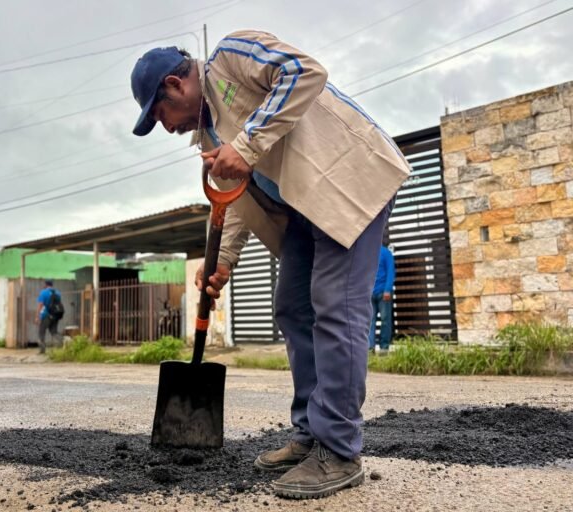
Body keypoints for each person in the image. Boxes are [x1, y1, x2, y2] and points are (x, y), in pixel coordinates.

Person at [130, 31, 408, 499]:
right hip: (302, 212)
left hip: (349, 185)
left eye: (160, 115)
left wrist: (247, 144)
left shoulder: (231, 58)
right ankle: (309, 434)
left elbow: (306, 72)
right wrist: (222, 261)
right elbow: (234, 201)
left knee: (334, 308)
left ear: (176, 85)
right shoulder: (210, 132)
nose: (166, 127)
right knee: (293, 309)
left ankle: (339, 449)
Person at [369, 245, 395, 353]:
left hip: (383, 293)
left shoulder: (386, 253)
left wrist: (388, 289)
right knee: (369, 322)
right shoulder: (367, 254)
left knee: (385, 321)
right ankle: (370, 347)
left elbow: (390, 271)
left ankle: (384, 347)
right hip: (369, 294)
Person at [35, 280, 63, 354]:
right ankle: (65, 341)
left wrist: (37, 316)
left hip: (46, 316)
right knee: (54, 332)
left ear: (45, 284)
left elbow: (40, 305)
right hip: (55, 315)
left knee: (41, 332)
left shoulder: (43, 292)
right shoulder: (57, 292)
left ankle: (42, 350)